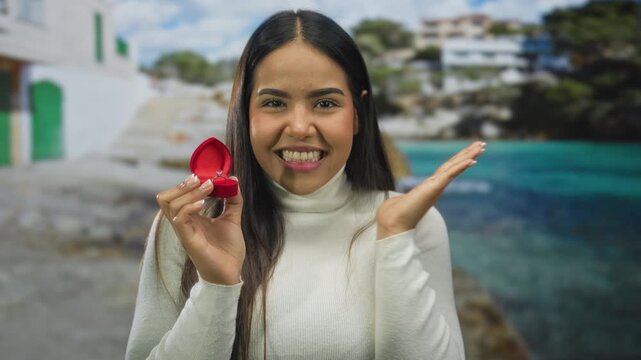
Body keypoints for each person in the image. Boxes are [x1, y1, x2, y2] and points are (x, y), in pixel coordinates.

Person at [125, 9, 484, 360]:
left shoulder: (413, 225)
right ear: (244, 111)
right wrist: (217, 286)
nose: (299, 127)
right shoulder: (190, 225)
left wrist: (394, 234)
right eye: (275, 102)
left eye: (325, 103)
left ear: (357, 114)